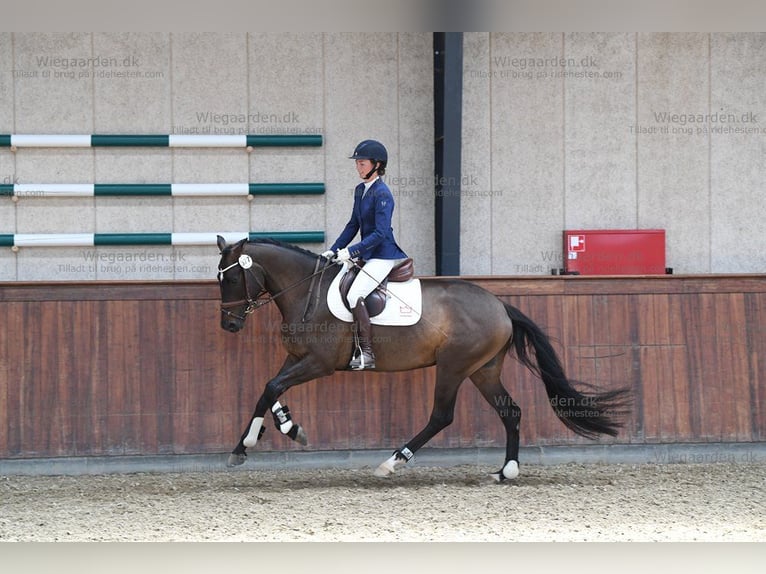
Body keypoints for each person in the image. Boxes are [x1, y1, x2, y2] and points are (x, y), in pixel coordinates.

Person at [321, 139, 408, 370]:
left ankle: (367, 353)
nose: (358, 167)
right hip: (368, 254)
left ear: (377, 165)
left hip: (383, 255)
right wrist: (335, 248)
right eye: (357, 163)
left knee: (354, 295)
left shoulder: (383, 194)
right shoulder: (360, 190)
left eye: (362, 163)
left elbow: (380, 233)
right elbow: (353, 225)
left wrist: (351, 251)